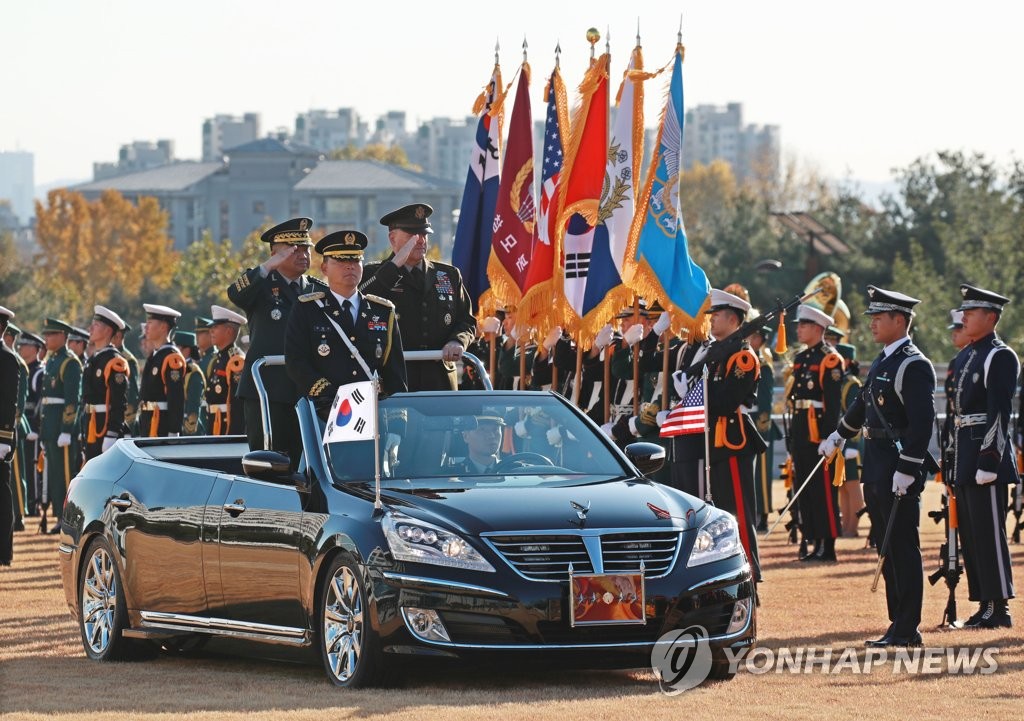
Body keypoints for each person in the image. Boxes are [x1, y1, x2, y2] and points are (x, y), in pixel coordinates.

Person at [820, 286, 935, 647]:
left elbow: (921, 422)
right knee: (886, 546)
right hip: (877, 463)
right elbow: (863, 403)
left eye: (878, 318)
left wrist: (909, 466)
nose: (872, 324)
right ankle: (895, 622)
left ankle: (907, 626)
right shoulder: (886, 358)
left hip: (897, 465)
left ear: (899, 321)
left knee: (901, 544)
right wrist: (839, 434)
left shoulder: (913, 364)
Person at [669, 289, 767, 582]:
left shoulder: (742, 356)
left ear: (734, 319)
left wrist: (694, 394)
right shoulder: (716, 354)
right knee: (719, 513)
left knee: (737, 511)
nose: (711, 321)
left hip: (732, 441)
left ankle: (749, 573)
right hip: (712, 442)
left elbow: (726, 399)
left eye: (718, 316)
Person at [946, 284, 1018, 628]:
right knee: (972, 535)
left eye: (971, 313)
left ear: (990, 318)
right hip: (964, 453)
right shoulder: (967, 355)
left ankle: (999, 608)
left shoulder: (999, 355)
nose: (964, 317)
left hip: (984, 456)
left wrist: (990, 460)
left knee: (989, 533)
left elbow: (1000, 413)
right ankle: (983, 605)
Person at [228, 217, 324, 464]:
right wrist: (268, 267)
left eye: (306, 249)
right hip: (267, 391)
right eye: (293, 249)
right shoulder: (260, 285)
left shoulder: (316, 290)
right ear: (274, 253)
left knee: (309, 462)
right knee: (269, 462)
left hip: (306, 389)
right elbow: (235, 293)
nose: (302, 254)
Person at [286, 229, 407, 408]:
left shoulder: (382, 311)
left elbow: (394, 372)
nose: (349, 266)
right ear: (324, 268)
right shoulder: (307, 309)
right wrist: (331, 395)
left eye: (355, 260)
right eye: (341, 261)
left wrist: (398, 422)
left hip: (372, 408)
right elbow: (296, 362)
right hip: (325, 407)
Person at [361, 203, 475, 391]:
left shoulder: (448, 275)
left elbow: (466, 320)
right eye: (412, 236)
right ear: (392, 238)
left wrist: (457, 340)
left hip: (440, 380)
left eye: (424, 234)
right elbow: (363, 301)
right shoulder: (373, 274)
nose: (420, 240)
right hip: (396, 380)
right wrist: (395, 265)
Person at [787, 304, 845, 562]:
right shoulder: (801, 359)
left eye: (804, 325)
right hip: (801, 429)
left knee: (823, 489)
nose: (799, 329)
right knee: (807, 489)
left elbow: (832, 404)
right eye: (799, 325)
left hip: (819, 432)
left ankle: (827, 544)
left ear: (819, 328)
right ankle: (814, 541)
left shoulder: (829, 358)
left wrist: (829, 436)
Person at [38, 318, 83, 534]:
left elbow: (72, 400)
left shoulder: (70, 362)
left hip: (62, 429)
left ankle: (68, 519)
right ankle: (59, 516)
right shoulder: (53, 360)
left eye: (51, 334)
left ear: (64, 336)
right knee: (55, 476)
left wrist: (66, 429)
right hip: (50, 427)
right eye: (46, 334)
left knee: (66, 476)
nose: (47, 338)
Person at [80, 306, 130, 461]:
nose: (90, 328)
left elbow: (119, 401)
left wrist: (113, 433)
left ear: (108, 331)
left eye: (96, 325)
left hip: (104, 427)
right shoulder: (94, 359)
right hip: (91, 425)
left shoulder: (115, 361)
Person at [138, 304, 186, 438]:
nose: (146, 327)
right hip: (149, 422)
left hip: (162, 426)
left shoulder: (171, 357)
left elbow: (176, 398)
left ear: (163, 327)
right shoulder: (156, 355)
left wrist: (173, 430)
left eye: (150, 323)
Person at [204, 305, 247, 436]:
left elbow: (238, 404)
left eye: (215, 327)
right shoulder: (219, 358)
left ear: (228, 331)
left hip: (226, 427)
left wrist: (234, 435)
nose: (211, 331)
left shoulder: (235, 361)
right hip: (214, 424)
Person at [1, 306, 19, 563]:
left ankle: (3, 552)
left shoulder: (6, 358)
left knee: (1, 496)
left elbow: (8, 403)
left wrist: (3, 439)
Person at [174, 331, 207, 436]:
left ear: (187, 350)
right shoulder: (177, 368)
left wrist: (189, 431)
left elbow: (193, 405)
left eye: (177, 348)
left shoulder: (193, 372)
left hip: (188, 429)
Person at [111, 322, 140, 435]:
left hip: (122, 419)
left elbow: (132, 394)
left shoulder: (128, 360)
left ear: (118, 336)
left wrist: (127, 424)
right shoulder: (108, 356)